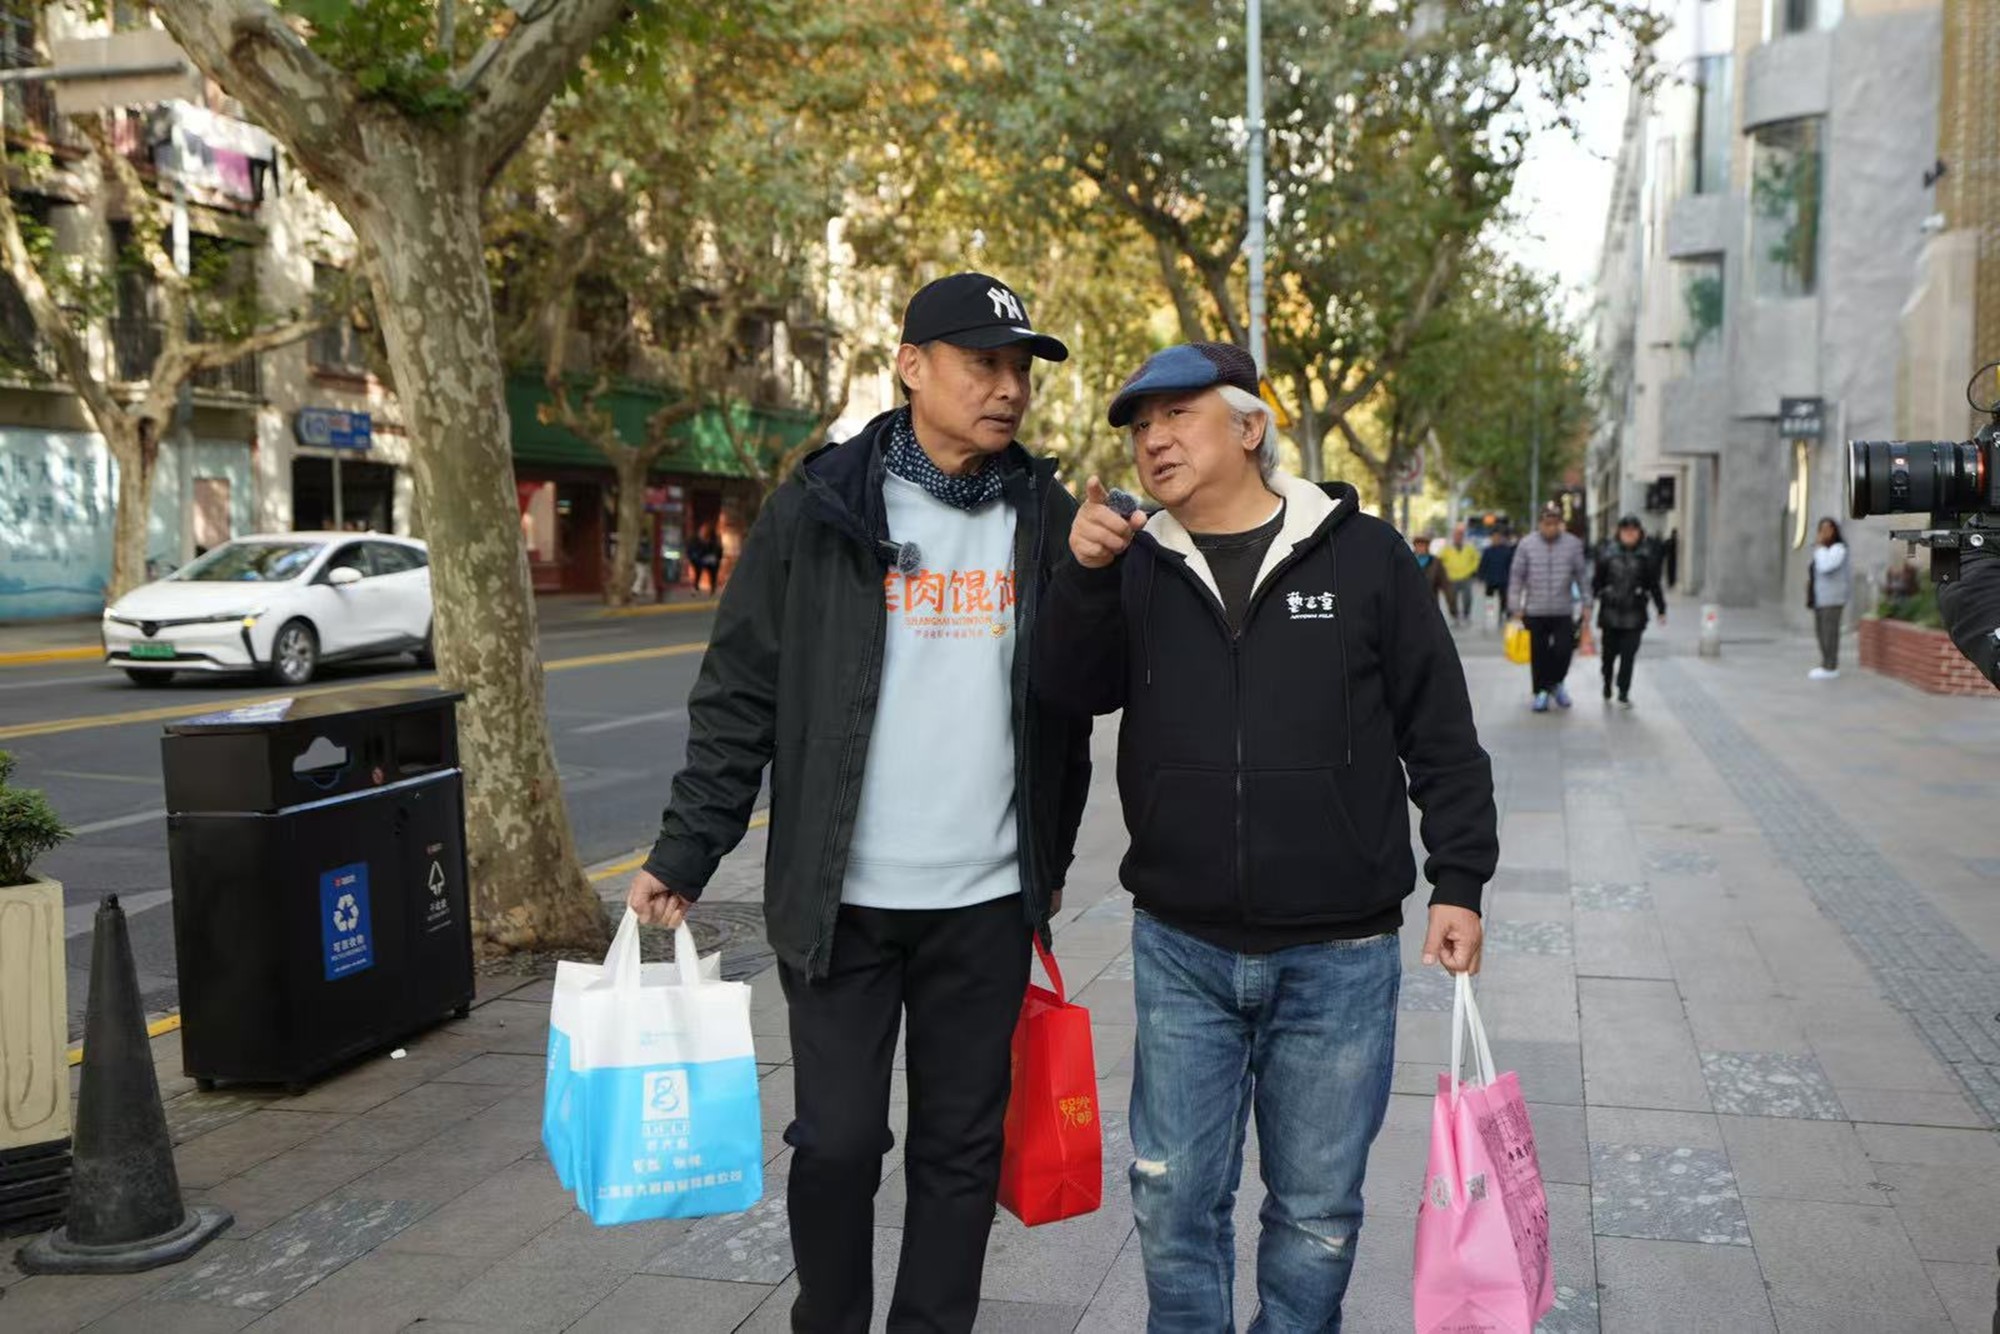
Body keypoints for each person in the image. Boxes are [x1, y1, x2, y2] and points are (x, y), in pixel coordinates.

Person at [626, 272, 1092, 1334]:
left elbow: (1072, 704)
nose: (1008, 388)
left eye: (1020, 369)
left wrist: (1049, 863)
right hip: (841, 900)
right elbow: (740, 689)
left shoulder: (1044, 515)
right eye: (983, 364)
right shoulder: (821, 507)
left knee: (959, 1149)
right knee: (836, 1142)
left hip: (984, 900)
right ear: (912, 366)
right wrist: (686, 848)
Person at [1034, 341, 1497, 1331]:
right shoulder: (1136, 563)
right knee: (1171, 1200)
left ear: (1250, 427)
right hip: (1180, 947)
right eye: (1140, 425)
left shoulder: (1364, 555)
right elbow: (1070, 691)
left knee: (1316, 1214)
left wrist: (1458, 878)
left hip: (1340, 953)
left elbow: (1440, 730)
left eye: (1177, 415)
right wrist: (1081, 576)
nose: (1153, 439)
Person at [1509, 502, 1593, 712]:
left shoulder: (1573, 545)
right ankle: (1541, 692)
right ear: (1540, 524)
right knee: (1539, 654)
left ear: (1560, 524)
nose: (1551, 528)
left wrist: (1587, 603)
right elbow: (1517, 576)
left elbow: (1582, 576)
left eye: (1555, 523)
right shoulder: (1526, 545)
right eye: (1547, 523)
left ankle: (1556, 683)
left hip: (1562, 609)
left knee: (1564, 650)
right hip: (1534, 610)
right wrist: (1515, 605)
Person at [1593, 514, 1667, 707]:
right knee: (1608, 656)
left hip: (1635, 613)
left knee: (1628, 655)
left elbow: (1654, 585)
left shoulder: (1646, 556)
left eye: (1634, 531)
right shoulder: (1607, 554)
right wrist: (1594, 599)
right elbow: (1596, 582)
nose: (1630, 534)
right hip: (1610, 613)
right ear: (1619, 532)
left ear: (1640, 533)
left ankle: (1623, 691)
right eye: (1626, 531)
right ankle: (1607, 681)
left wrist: (1661, 609)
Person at [1807, 516, 1850, 680]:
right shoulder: (1822, 550)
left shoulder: (1839, 549)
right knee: (1821, 632)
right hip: (1820, 598)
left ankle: (1831, 666)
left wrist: (1819, 547)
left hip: (1833, 599)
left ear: (1835, 531)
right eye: (1822, 529)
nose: (1824, 533)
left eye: (1828, 529)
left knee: (1829, 633)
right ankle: (1825, 663)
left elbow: (1826, 566)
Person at [1438, 523, 1481, 627]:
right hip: (1451, 577)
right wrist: (1444, 571)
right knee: (1452, 599)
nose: (1458, 537)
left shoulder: (1469, 547)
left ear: (1463, 536)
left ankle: (1466, 615)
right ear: (1453, 536)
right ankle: (1455, 616)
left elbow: (1477, 558)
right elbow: (1439, 560)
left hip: (1466, 577)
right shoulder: (1447, 548)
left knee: (1467, 598)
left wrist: (1473, 569)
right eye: (1456, 535)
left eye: (1460, 535)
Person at [1479, 528, 1516, 624]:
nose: (1496, 539)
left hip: (1503, 579)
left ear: (1501, 538)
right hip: (1490, 579)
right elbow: (1483, 564)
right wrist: (1481, 576)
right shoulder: (1487, 551)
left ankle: (1502, 614)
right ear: (1491, 538)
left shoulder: (1507, 551)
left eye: (1498, 537)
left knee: (1504, 599)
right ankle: (1490, 615)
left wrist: (1512, 578)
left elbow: (1511, 565)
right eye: (1494, 537)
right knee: (1489, 599)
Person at [1412, 534, 1452, 615]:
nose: (1420, 548)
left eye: (1423, 545)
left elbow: (1445, 584)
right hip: (1412, 602)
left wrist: (1452, 604)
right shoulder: (1408, 561)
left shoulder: (1436, 562)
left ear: (1427, 547)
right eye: (1418, 545)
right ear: (1415, 547)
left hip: (1431, 603)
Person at [686, 522, 722, 594]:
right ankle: (696, 587)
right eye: (702, 530)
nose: (703, 532)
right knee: (698, 569)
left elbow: (717, 550)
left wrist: (714, 557)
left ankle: (712, 587)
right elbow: (692, 550)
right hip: (698, 559)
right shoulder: (695, 539)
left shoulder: (713, 539)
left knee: (713, 568)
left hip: (709, 559)